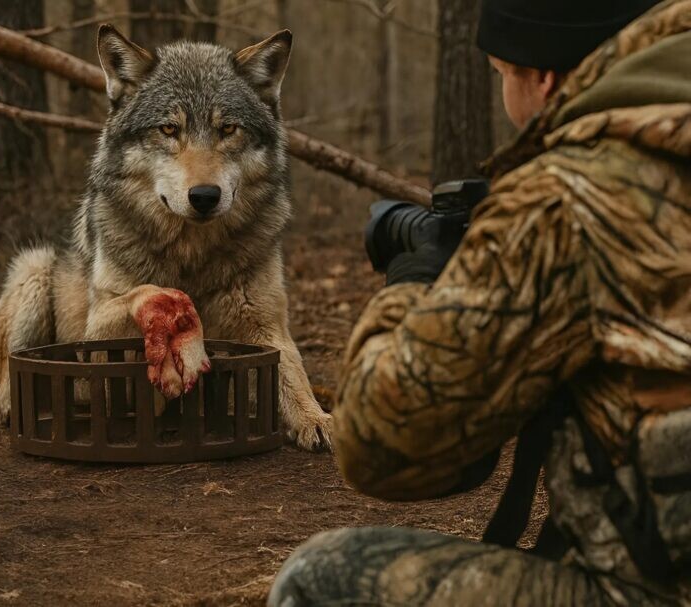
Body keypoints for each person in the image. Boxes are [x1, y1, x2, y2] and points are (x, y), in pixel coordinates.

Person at [269, 0, 691, 604]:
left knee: (320, 578)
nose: (502, 92)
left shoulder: (562, 207)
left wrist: (416, 279)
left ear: (542, 75)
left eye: (500, 74)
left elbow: (379, 445)